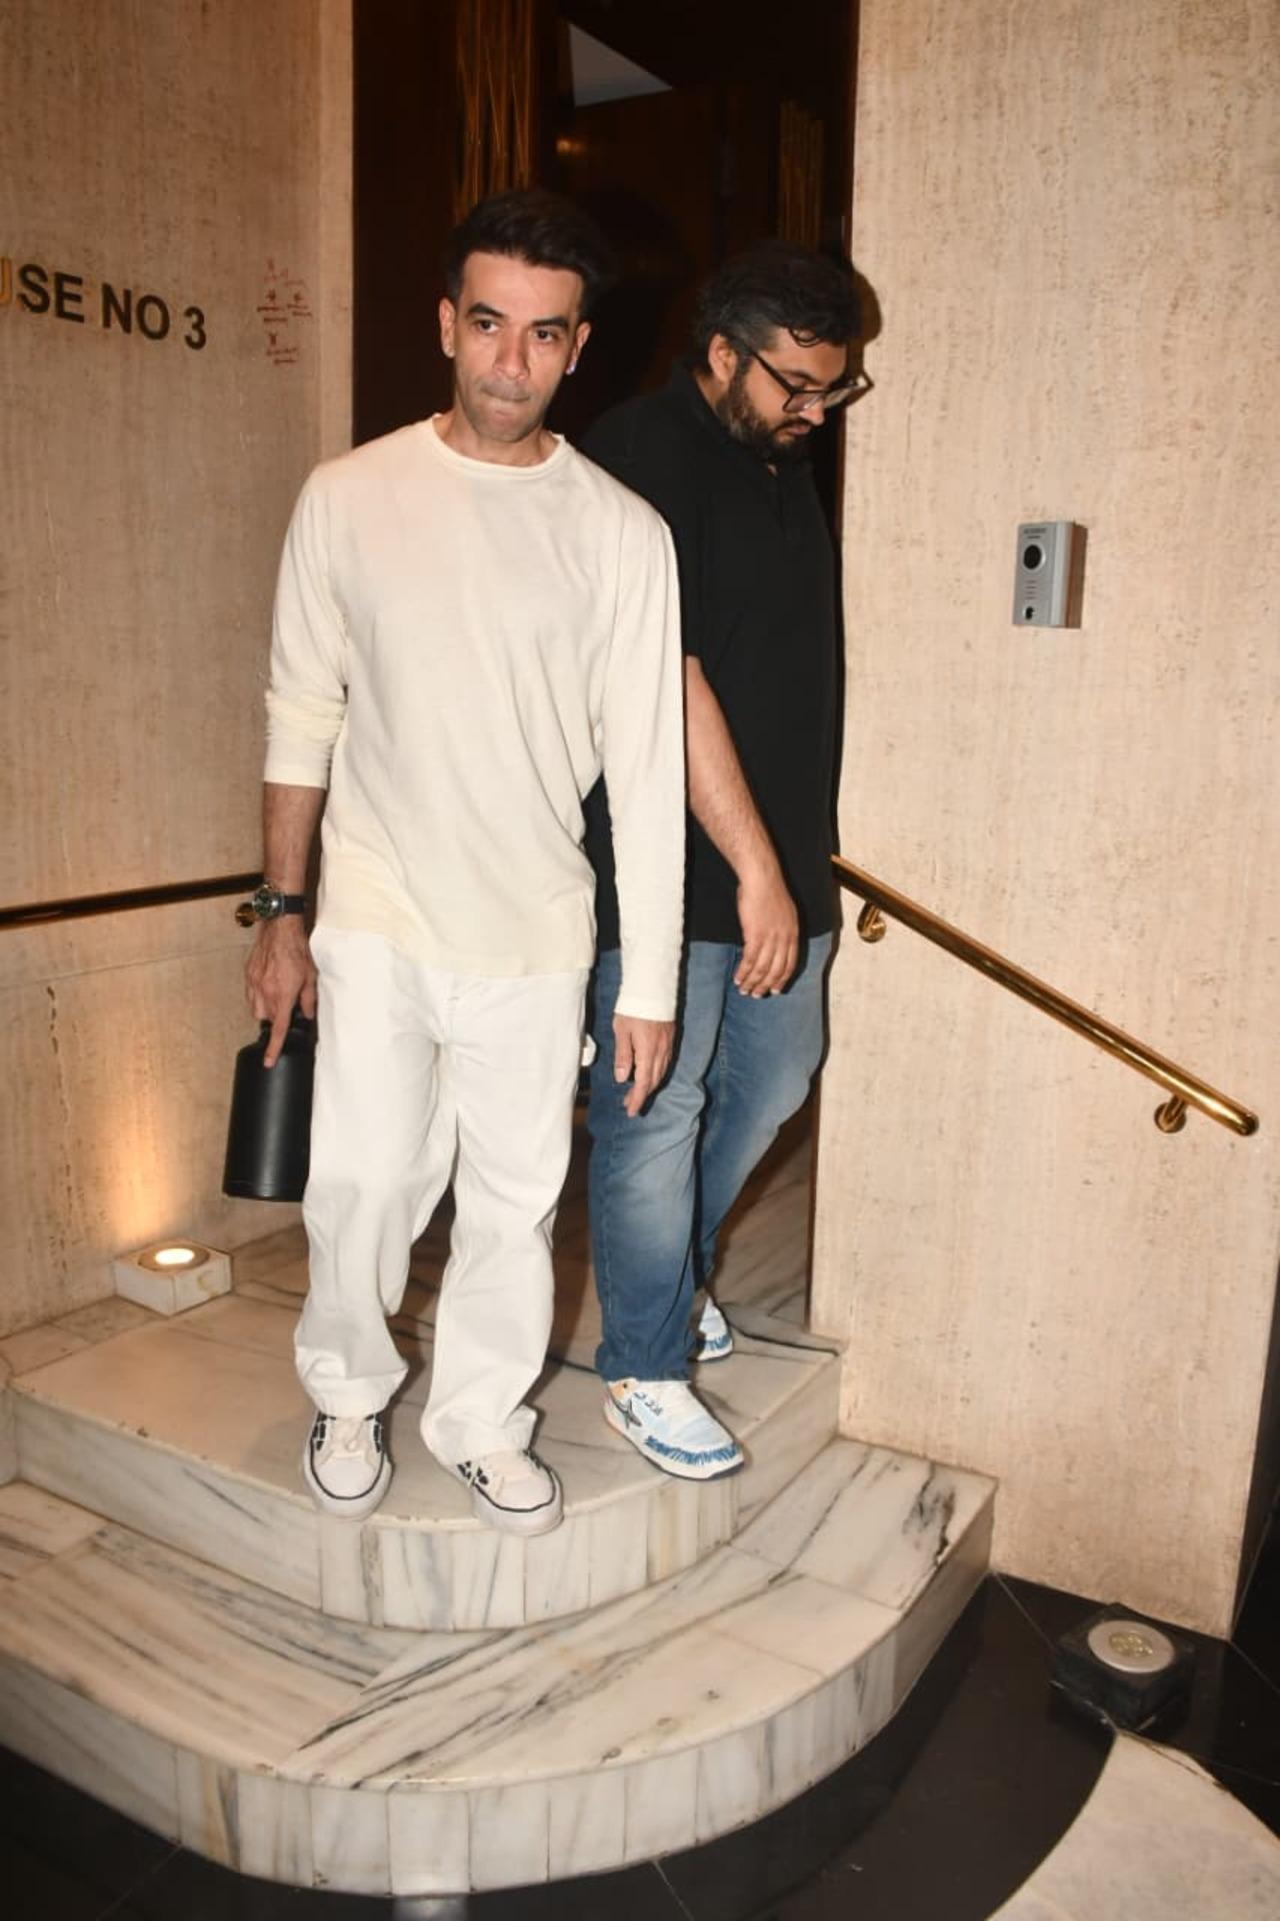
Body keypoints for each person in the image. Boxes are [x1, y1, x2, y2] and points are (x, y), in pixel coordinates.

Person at [242, 189, 685, 1537]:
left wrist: (647, 980)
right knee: (367, 1178)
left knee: (512, 1202)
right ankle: (349, 1385)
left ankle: (481, 1418)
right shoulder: (350, 495)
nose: (510, 362)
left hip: (538, 930)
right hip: (374, 906)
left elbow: (651, 769)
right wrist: (279, 911)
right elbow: (298, 711)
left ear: (578, 346)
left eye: (543, 335)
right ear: (447, 322)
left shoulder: (621, 532)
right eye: (487, 325)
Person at [582, 241, 863, 1479]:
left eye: (829, 387)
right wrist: (753, 868)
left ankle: (669, 1278)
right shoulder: (638, 460)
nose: (813, 409)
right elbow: (669, 680)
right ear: (717, 351)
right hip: (669, 865)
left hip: (779, 859)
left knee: (778, 1072)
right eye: (794, 383)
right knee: (658, 1109)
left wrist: (800, 862)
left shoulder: (774, 459)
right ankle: (640, 1368)